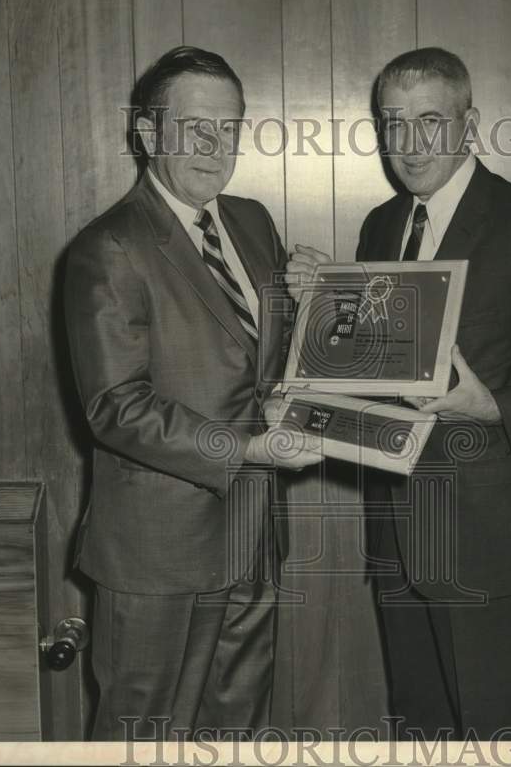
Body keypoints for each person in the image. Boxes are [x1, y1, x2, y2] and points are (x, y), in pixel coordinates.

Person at [286, 47, 511, 740]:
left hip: (487, 542)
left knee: (494, 736)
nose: (409, 144)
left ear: (468, 125)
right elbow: (385, 371)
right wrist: (327, 306)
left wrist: (498, 406)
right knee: (422, 731)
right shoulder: (382, 225)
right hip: (399, 537)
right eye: (393, 123)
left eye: (430, 121)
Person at [63, 46, 320, 741]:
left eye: (230, 128)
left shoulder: (253, 222)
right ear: (147, 134)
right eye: (195, 128)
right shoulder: (108, 248)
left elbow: (251, 360)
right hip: (158, 551)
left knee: (235, 729)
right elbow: (115, 407)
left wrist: (319, 300)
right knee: (141, 734)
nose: (217, 146)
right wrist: (250, 447)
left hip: (253, 532)